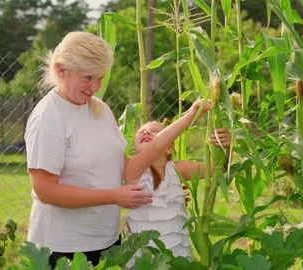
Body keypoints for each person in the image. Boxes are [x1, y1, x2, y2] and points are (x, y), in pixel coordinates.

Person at [24, 31, 213, 267]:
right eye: (87, 78)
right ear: (62, 70)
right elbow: (45, 191)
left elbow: (128, 166)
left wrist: (166, 192)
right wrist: (113, 197)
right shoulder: (48, 118)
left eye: (101, 77)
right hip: (65, 248)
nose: (95, 86)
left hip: (108, 241)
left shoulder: (99, 109)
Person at [123, 119, 231, 267]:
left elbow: (218, 167)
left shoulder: (177, 169)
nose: (146, 131)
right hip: (141, 255)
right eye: (141, 131)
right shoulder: (132, 171)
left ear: (169, 148)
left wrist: (226, 146)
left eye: (155, 131)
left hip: (176, 248)